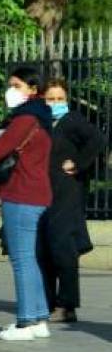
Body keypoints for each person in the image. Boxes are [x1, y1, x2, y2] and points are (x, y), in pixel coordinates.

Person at [0, 66, 53, 341]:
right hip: (38, 193)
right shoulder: (42, 117)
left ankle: (26, 322)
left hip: (21, 192)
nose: (10, 90)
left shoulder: (25, 118)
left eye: (17, 85)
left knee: (21, 259)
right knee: (29, 258)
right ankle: (39, 318)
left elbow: (0, 149)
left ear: (33, 89)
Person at [38, 78, 105, 323]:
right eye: (51, 99)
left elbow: (98, 140)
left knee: (63, 248)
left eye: (60, 99)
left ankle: (67, 305)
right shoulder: (41, 123)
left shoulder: (72, 120)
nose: (56, 103)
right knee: (43, 248)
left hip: (67, 193)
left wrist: (77, 163)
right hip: (43, 194)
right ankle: (46, 302)